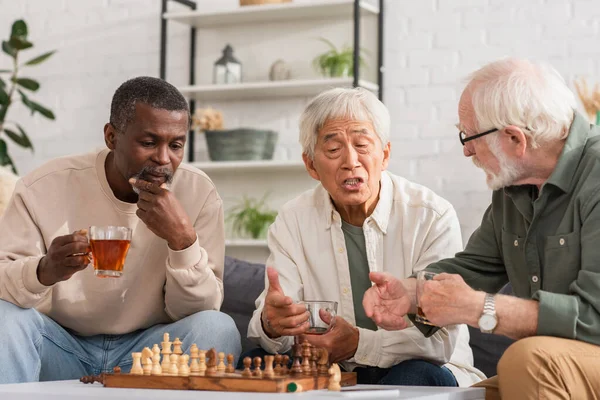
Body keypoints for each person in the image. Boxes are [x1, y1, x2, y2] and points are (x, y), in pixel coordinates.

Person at [363, 58, 600, 400]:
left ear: (515, 138)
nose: (466, 150)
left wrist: (480, 308)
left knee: (526, 361)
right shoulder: (514, 187)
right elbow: (475, 266)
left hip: (576, 352)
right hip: (561, 363)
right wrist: (412, 293)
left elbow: (593, 318)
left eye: (469, 135)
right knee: (464, 397)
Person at [0, 76, 241, 383]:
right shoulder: (43, 186)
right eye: (149, 142)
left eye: (176, 145)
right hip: (59, 346)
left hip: (149, 353)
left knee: (217, 327)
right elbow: (2, 282)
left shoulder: (199, 193)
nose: (164, 159)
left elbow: (200, 310)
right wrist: (43, 270)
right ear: (111, 137)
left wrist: (183, 241)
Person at [245, 87, 485, 387]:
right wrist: (273, 325)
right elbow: (272, 332)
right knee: (252, 363)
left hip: (425, 367)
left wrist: (359, 343)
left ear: (384, 154)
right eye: (333, 150)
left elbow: (439, 343)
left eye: (362, 145)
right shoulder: (292, 220)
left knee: (416, 376)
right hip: (332, 369)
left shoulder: (431, 216)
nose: (350, 161)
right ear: (311, 165)